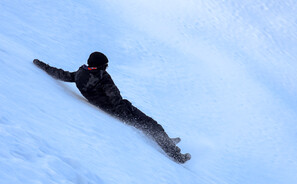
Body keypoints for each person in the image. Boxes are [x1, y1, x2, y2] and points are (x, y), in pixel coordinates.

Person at [33, 52, 191, 163]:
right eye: (106, 65)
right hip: (118, 109)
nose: (107, 67)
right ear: (101, 66)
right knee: (150, 124)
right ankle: (176, 155)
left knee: (148, 125)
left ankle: (167, 141)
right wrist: (125, 114)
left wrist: (42, 65)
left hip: (108, 107)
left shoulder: (80, 74)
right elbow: (114, 97)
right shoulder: (103, 78)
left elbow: (60, 74)